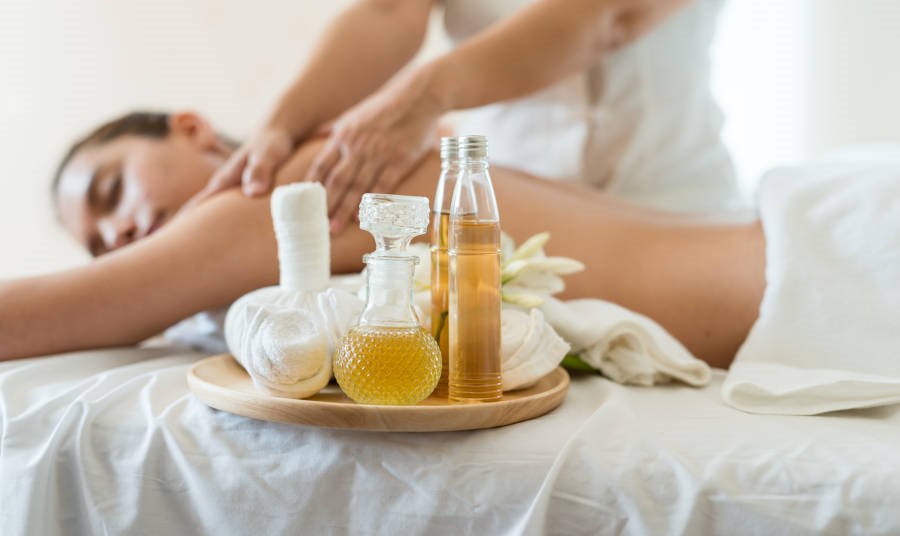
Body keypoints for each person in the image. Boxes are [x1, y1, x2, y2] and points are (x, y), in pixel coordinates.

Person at [0, 111, 764, 366]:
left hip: (790, 279)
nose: (122, 231)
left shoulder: (285, 194)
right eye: (101, 242)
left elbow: (57, 311)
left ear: (191, 130)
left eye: (112, 191)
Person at [188, 0, 740, 234]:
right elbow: (389, 9)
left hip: (679, 200)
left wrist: (425, 95)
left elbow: (610, 15)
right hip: (512, 215)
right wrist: (279, 127)